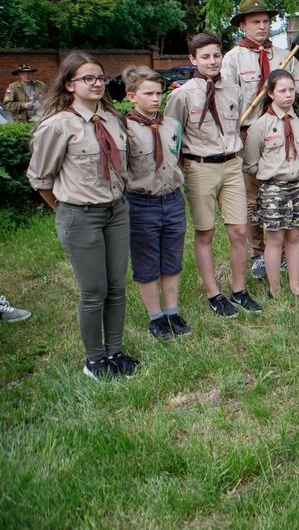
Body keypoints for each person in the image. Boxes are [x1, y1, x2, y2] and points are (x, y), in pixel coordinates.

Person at [27, 51, 138, 380]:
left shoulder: (111, 118)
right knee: (93, 290)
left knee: (116, 286)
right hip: (80, 215)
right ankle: (95, 361)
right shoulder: (59, 125)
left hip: (116, 211)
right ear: (70, 84)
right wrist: (65, 210)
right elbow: (40, 179)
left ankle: (115, 352)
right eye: (87, 78)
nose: (96, 83)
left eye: (100, 77)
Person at [165, 32, 262, 318]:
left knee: (239, 230)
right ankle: (214, 294)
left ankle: (239, 290)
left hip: (231, 164)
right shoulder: (181, 95)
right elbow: (172, 138)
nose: (212, 61)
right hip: (200, 168)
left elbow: (236, 127)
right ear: (193, 59)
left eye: (216, 55)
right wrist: (183, 168)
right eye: (205, 57)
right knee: (205, 232)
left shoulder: (233, 90)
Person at [221, 0, 299, 280]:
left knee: (284, 190)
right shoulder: (233, 58)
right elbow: (226, 96)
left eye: (266, 21)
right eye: (255, 22)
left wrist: (286, 86)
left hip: (283, 129)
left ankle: (285, 251)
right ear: (243, 25)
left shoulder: (284, 53)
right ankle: (259, 253)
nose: (262, 26)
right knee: (254, 196)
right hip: (250, 131)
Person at [121, 65, 191, 340]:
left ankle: (172, 311)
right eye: (148, 93)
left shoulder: (171, 125)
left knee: (172, 257)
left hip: (172, 199)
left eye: (159, 93)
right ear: (131, 96)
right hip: (141, 202)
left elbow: (177, 157)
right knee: (147, 260)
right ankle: (155, 317)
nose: (155, 98)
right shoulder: (123, 129)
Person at [243, 70, 299, 298]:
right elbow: (251, 162)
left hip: (297, 187)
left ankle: (295, 284)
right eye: (282, 90)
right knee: (275, 238)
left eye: (292, 89)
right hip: (274, 188)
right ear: (271, 93)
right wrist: (271, 177)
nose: (288, 95)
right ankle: (275, 288)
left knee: (294, 236)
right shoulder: (261, 125)